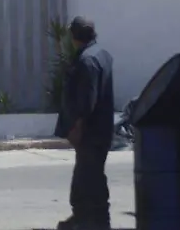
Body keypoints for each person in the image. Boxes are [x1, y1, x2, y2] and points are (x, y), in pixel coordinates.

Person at [54, 17, 115, 230]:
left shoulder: (87, 61)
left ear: (74, 36)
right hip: (101, 129)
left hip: (90, 132)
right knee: (90, 174)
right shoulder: (101, 55)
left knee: (88, 177)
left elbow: (87, 101)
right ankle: (87, 218)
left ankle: (91, 220)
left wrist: (76, 127)